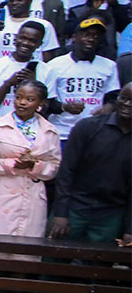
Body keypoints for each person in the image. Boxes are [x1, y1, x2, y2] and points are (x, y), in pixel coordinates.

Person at [0, 80, 61, 238]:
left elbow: (54, 166)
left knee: (26, 248)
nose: (22, 103)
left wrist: (34, 165)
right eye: (19, 97)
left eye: (30, 99)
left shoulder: (49, 131)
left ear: (41, 103)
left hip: (32, 194)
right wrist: (10, 164)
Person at [49, 81, 131, 247]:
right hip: (74, 208)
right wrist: (61, 214)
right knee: (54, 263)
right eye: (123, 98)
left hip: (111, 214)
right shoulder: (87, 127)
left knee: (99, 269)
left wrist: (130, 229)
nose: (127, 104)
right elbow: (66, 171)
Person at [44, 18, 121, 146]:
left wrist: (107, 108)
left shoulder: (109, 66)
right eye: (86, 35)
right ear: (74, 37)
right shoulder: (54, 65)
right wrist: (65, 107)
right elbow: (46, 102)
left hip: (95, 132)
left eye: (95, 36)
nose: (91, 39)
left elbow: (113, 98)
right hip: (62, 132)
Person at [0, 20, 55, 120]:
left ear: (39, 44)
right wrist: (8, 84)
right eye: (22, 38)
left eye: (32, 40)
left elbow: (44, 109)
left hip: (30, 131)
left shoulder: (47, 70)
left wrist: (33, 84)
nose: (26, 43)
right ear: (15, 39)